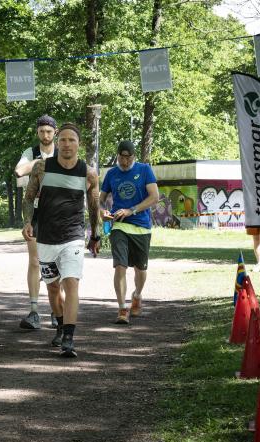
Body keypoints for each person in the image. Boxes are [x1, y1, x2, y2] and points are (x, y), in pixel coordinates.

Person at [22, 123, 101, 358]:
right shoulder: (42, 168)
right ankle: (59, 324)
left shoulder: (89, 173)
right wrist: (28, 221)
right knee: (53, 287)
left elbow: (94, 205)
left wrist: (95, 234)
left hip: (73, 236)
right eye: (63, 140)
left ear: (79, 144)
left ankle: (69, 338)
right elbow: (28, 198)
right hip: (45, 236)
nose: (67, 144)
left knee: (71, 283)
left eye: (72, 140)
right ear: (57, 143)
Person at [99, 140, 159, 324]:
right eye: (121, 157)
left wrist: (132, 210)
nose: (124, 162)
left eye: (128, 158)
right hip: (119, 226)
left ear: (134, 157)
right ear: (117, 156)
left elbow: (154, 197)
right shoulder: (111, 174)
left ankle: (137, 294)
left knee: (140, 268)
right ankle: (122, 308)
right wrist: (103, 211)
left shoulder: (144, 170)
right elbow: (100, 200)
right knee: (120, 265)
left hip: (141, 226)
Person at [14, 114, 59, 330]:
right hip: (36, 213)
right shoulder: (30, 153)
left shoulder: (63, 152)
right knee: (34, 261)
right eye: (42, 131)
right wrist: (40, 163)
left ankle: (56, 309)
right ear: (37, 133)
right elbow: (19, 171)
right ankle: (34, 311)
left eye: (49, 131)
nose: (45, 135)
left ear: (55, 132)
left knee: (57, 263)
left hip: (59, 214)